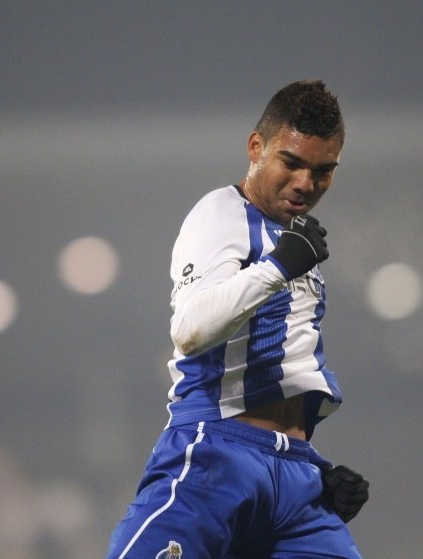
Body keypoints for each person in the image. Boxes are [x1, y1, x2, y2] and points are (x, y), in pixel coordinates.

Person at [106, 80, 369, 559]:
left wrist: (312, 469)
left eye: (323, 170)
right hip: (218, 454)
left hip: (295, 478)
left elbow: (283, 363)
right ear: (255, 147)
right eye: (291, 163)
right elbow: (189, 331)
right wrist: (277, 268)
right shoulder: (222, 213)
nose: (306, 184)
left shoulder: (295, 246)